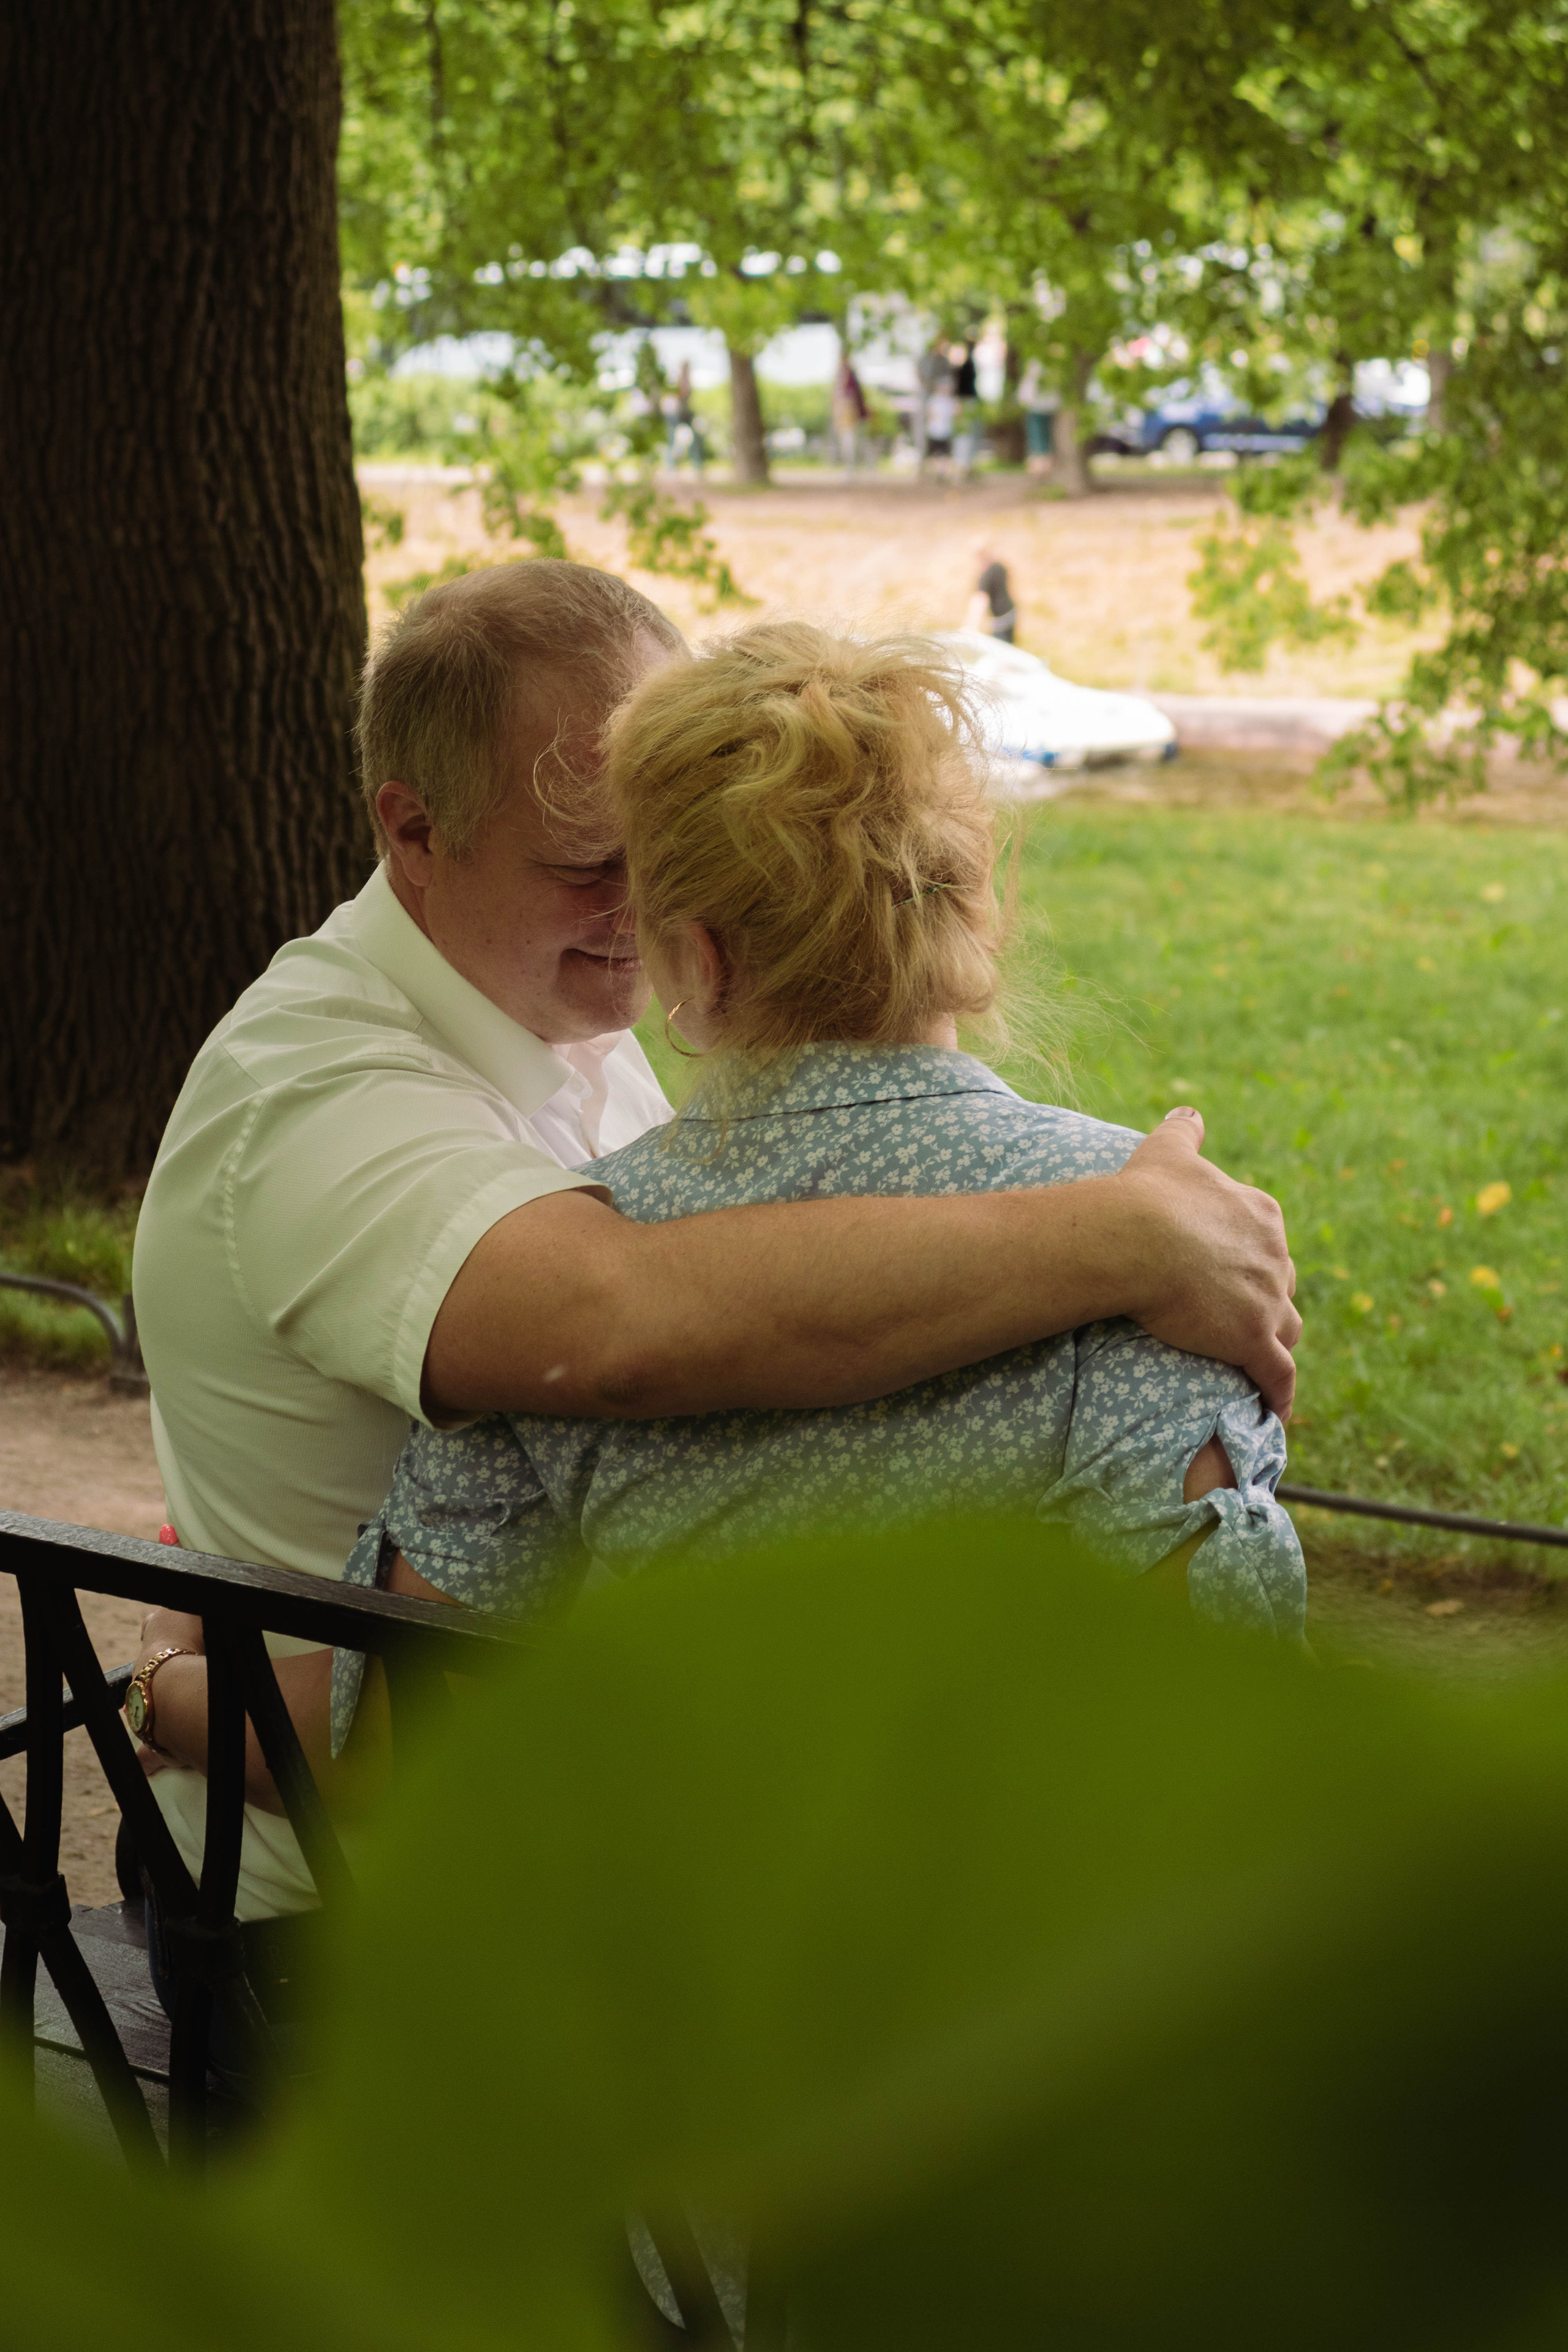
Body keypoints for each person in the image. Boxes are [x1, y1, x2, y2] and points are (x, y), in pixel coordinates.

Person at [127, 561, 1297, 1928]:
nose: (635, 905)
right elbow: (611, 1330)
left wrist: (167, 1682)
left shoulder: (569, 1037)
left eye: (668, 854)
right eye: (588, 864)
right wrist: (1117, 1225)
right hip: (358, 1941)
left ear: (706, 960)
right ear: (411, 829)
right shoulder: (318, 1093)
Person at [331, 621, 1305, 1769]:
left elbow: (412, 1753)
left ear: (695, 956)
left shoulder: (562, 1256)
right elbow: (1223, 1729)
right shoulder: (1162, 1237)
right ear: (974, 914)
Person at [965, 544, 1017, 642]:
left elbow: (980, 599)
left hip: (1001, 619)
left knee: (1001, 648)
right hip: (1010, 612)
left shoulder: (987, 575)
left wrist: (971, 626)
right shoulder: (999, 566)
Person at [832, 353, 870, 473]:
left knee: (852, 440)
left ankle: (855, 466)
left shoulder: (849, 380)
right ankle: (852, 466)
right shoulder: (844, 379)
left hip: (850, 415)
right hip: (846, 415)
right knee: (849, 440)